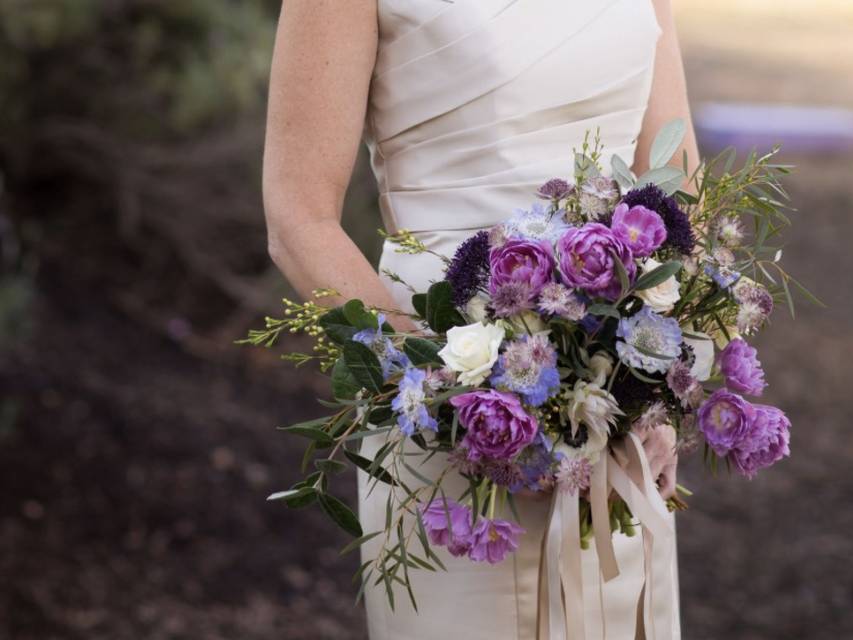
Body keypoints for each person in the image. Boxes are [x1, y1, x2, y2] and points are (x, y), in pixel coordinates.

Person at [263, 2, 699, 638]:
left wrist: (659, 388)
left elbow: (677, 183)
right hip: (448, 403)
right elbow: (298, 217)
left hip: (617, 410)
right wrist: (450, 397)